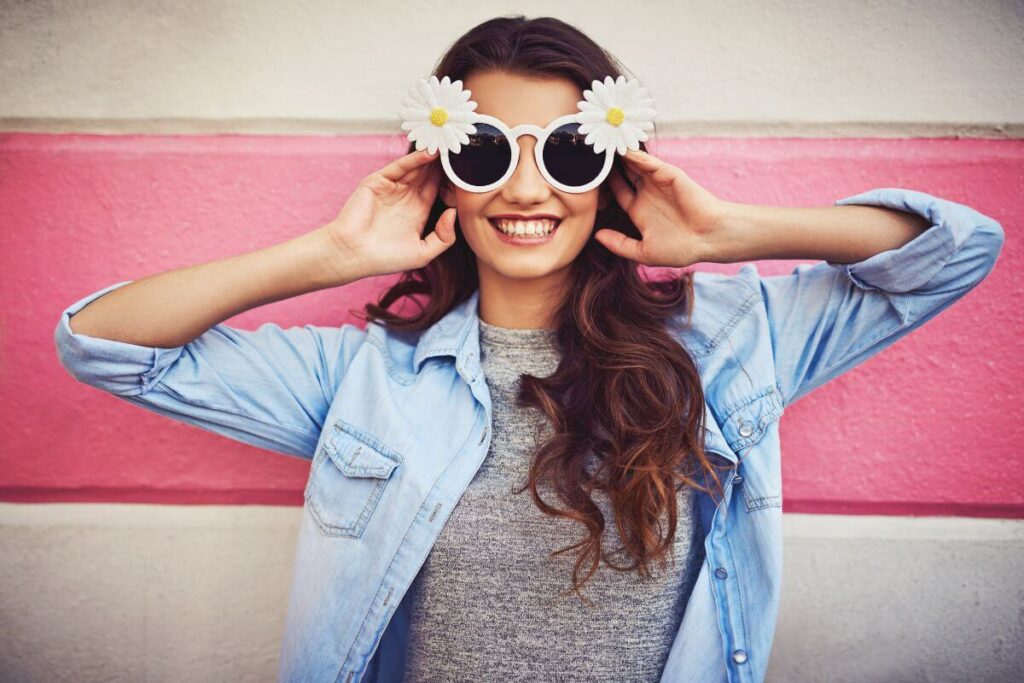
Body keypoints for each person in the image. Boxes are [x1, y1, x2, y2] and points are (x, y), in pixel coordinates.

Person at [54, 15, 1004, 683]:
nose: (523, 188)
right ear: (444, 176)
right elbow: (101, 343)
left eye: (564, 153)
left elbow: (958, 250)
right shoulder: (364, 379)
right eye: (482, 154)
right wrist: (331, 252)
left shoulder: (726, 346)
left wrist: (725, 232)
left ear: (608, 168)